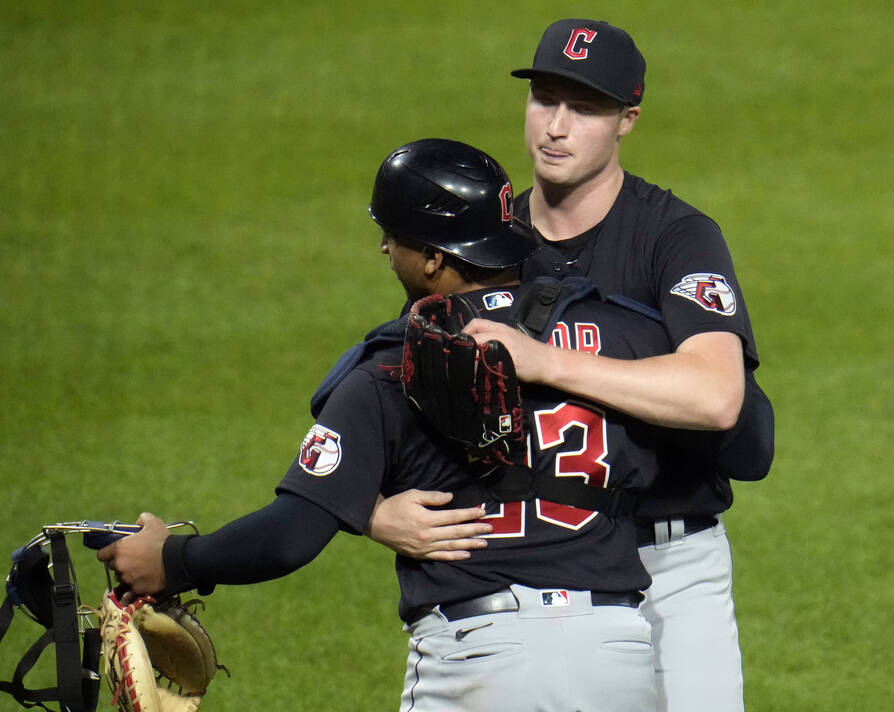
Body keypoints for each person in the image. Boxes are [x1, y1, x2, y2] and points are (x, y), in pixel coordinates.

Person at [98, 138, 698, 712]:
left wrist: (174, 560)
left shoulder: (388, 370)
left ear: (434, 258)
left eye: (394, 235)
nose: (386, 248)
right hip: (618, 652)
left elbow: (290, 536)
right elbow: (741, 444)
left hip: (483, 657)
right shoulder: (626, 338)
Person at [368, 20, 773, 712]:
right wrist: (371, 509)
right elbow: (406, 393)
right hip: (539, 567)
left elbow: (717, 398)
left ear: (627, 120)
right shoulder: (487, 241)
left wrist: (545, 361)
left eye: (583, 108)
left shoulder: (674, 237)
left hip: (669, 561)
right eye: (544, 99)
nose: (556, 127)